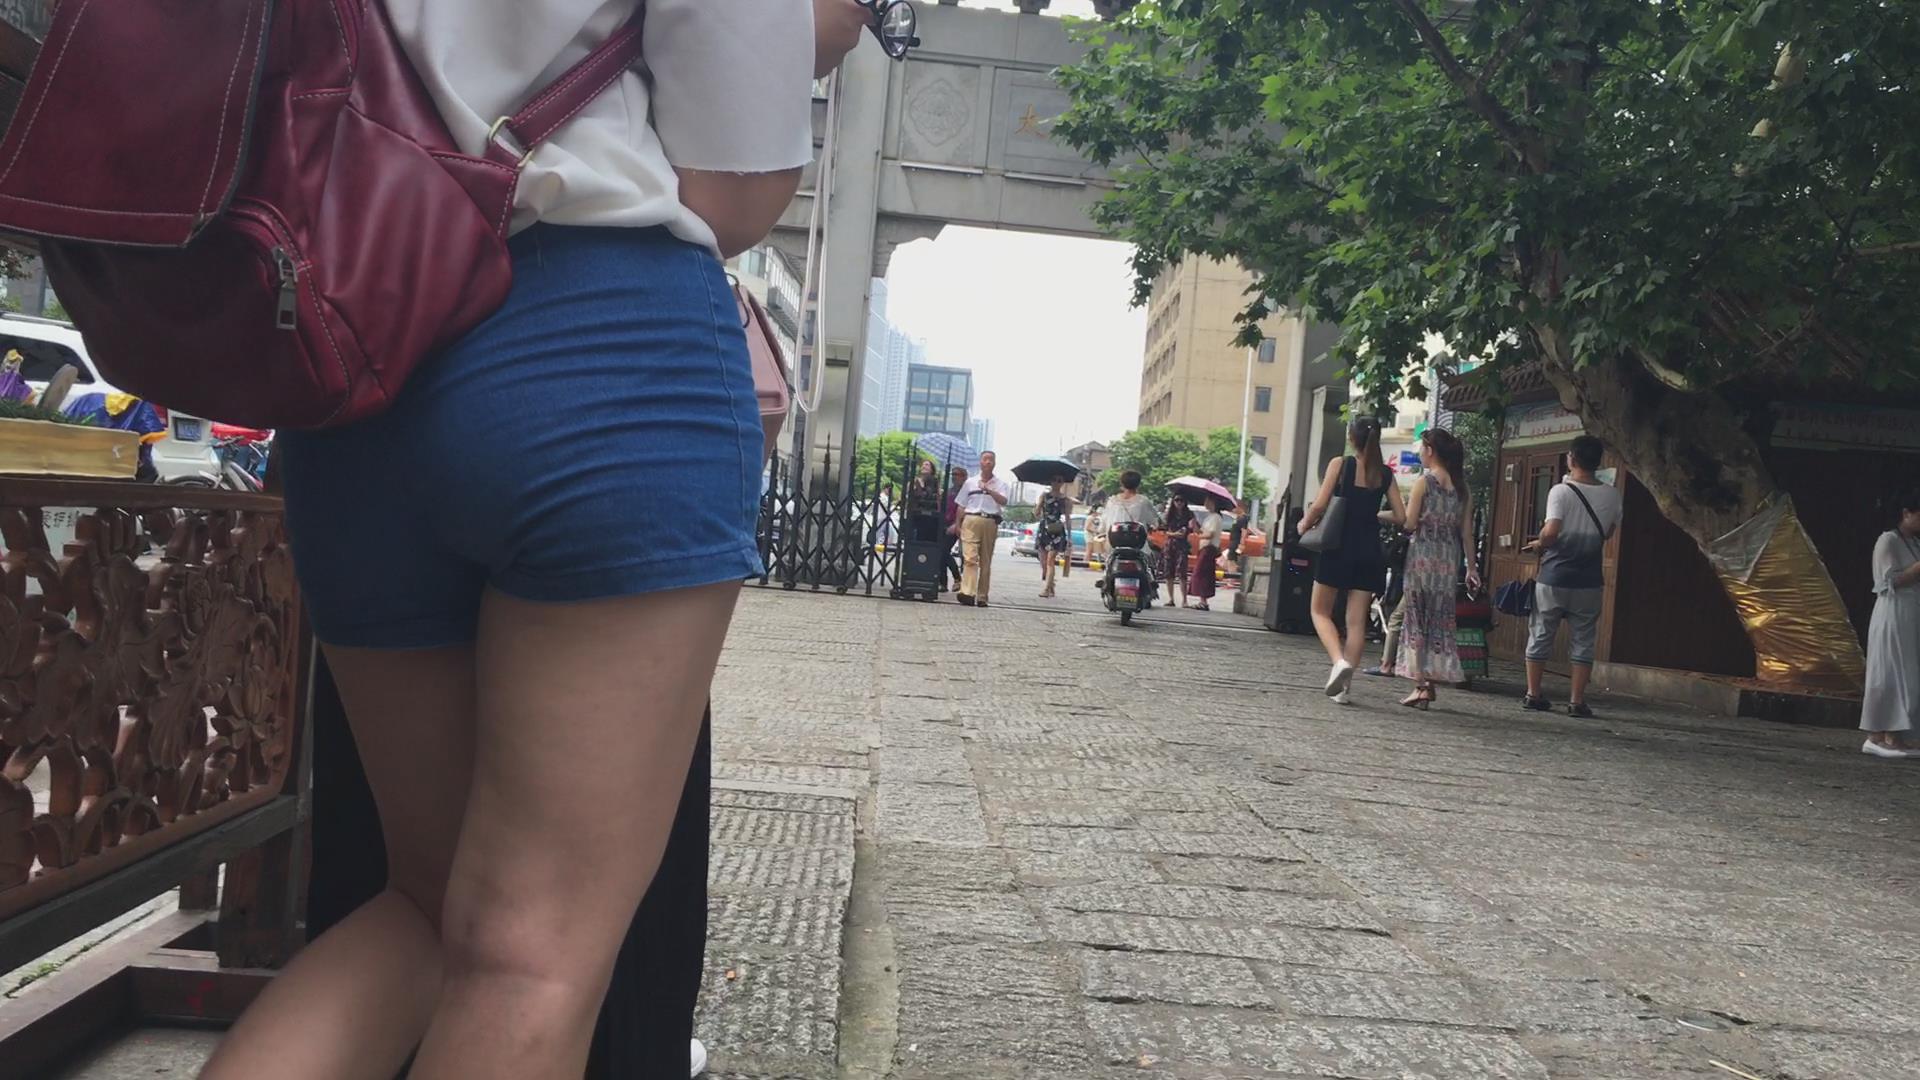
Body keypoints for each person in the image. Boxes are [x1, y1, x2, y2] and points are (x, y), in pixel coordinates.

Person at [203, 4, 853, 1079]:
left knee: (419, 906)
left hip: (351, 353)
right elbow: (731, 190)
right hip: (597, 344)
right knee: (527, 959)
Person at [1302, 417, 1408, 704]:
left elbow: (1320, 505)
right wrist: (1374, 514)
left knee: (1319, 611)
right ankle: (1344, 690)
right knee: (1357, 622)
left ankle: (1339, 662)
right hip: (1370, 551)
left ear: (1352, 438)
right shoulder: (1384, 474)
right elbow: (1401, 516)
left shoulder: (1341, 464)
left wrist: (1303, 525)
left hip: (1338, 547)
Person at [1521, 435, 1623, 718]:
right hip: (1589, 580)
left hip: (1554, 576)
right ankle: (1577, 701)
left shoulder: (1560, 491)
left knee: (1541, 633)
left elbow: (1552, 531)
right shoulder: (1612, 495)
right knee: (1584, 639)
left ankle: (1533, 694)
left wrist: (1540, 542)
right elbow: (1609, 532)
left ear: (1572, 459)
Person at [1394, 429, 1480, 709]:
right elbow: (1467, 533)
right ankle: (1427, 683)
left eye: (1423, 448)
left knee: (1417, 619)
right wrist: (1472, 568)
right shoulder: (1463, 489)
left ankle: (1421, 685)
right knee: (1438, 620)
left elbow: (1409, 523)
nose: (1421, 453)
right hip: (1447, 562)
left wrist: (1384, 515)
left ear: (1430, 451)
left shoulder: (1424, 482)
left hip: (1421, 559)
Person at [1860, 491, 1920, 758]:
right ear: (1906, 513)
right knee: (1892, 673)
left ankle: (1898, 736)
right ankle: (1878, 736)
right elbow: (1888, 582)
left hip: (1912, 612)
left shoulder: (1914, 542)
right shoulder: (1888, 540)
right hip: (1893, 611)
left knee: (1909, 675)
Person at [954, 451, 1011, 607]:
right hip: (971, 520)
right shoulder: (970, 482)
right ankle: (967, 592)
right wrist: (958, 524)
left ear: (995, 463)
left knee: (985, 561)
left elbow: (1004, 501)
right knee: (970, 558)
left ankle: (982, 596)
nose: (988, 462)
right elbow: (961, 505)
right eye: (985, 459)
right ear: (980, 462)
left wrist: (989, 490)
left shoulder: (1001, 484)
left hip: (990, 521)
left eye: (991, 460)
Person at [1364, 527, 1411, 678]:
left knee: (1396, 619)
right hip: (1443, 573)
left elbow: (1408, 524)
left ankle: (1387, 664)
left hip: (1416, 575)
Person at [1036, 479, 1075, 598]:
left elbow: (1068, 518)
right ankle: (1051, 584)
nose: (1056, 483)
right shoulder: (1044, 496)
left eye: (1059, 481)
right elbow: (1037, 513)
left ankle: (1046, 589)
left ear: (1062, 483)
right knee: (1043, 561)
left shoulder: (1066, 500)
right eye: (1054, 480)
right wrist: (1039, 505)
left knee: (1050, 560)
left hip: (1057, 530)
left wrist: (1069, 536)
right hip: (1044, 528)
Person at [1187, 494, 1227, 611]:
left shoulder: (1216, 517)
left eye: (1207, 501)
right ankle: (1202, 600)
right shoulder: (1209, 517)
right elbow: (1201, 532)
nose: (1205, 503)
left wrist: (1200, 536)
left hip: (1209, 548)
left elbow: (1210, 534)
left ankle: (1203, 601)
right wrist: (1195, 526)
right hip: (1204, 547)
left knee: (1202, 573)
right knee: (1201, 573)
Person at [1161, 496, 1196, 608]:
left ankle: (1184, 600)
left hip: (1182, 545)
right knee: (1168, 572)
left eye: (1182, 500)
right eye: (1177, 500)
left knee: (1182, 573)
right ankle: (1171, 599)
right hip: (1170, 544)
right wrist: (1174, 534)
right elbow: (1163, 530)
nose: (1179, 503)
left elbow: (1193, 528)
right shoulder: (1169, 514)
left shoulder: (1189, 514)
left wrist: (1189, 528)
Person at [942, 465, 967, 591]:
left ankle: (957, 578)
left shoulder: (966, 492)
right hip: (944, 523)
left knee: (943, 551)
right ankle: (942, 582)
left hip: (956, 525)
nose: (954, 477)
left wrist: (957, 525)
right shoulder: (949, 491)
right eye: (953, 474)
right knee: (941, 552)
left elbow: (966, 510)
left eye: (957, 474)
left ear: (963, 477)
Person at [906, 460, 944, 543]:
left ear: (932, 470)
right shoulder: (915, 481)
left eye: (927, 465)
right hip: (915, 514)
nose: (924, 466)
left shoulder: (935, 482)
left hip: (930, 516)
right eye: (923, 465)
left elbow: (938, 498)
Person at [1224, 499, 1252, 572]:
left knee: (1231, 560)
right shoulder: (1238, 518)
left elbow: (1244, 531)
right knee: (1230, 559)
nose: (1233, 509)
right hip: (1233, 541)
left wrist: (1241, 544)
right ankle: (1231, 573)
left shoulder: (1243, 518)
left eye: (1235, 507)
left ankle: (1232, 574)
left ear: (1240, 507)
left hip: (1236, 542)